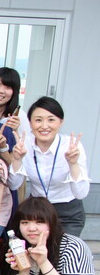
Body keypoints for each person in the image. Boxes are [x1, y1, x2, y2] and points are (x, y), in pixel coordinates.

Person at [7, 97, 89, 236]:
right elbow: (14, 185)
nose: (44, 126)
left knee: (63, 249)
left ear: (60, 122)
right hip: (36, 211)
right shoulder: (24, 144)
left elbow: (81, 193)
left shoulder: (71, 146)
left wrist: (73, 164)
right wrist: (17, 160)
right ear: (30, 123)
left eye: (51, 120)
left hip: (67, 213)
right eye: (38, 120)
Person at [0, 67, 29, 134]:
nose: (1, 91)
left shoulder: (19, 116)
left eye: (8, 87)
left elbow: (27, 139)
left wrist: (15, 131)